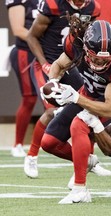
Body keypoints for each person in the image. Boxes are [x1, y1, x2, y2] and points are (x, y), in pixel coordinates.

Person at [40, 20, 111, 203]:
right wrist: (51, 83)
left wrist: (76, 98)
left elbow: (109, 108)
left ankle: (80, 189)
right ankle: (88, 161)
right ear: (85, 47)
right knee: (48, 142)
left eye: (105, 59)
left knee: (79, 125)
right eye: (95, 57)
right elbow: (58, 65)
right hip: (88, 94)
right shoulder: (75, 43)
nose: (99, 62)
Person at [24, 0, 110, 178]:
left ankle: (89, 159)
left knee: (88, 106)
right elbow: (31, 37)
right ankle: (32, 155)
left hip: (71, 62)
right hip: (48, 62)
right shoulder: (53, 4)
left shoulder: (92, 7)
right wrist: (45, 64)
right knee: (52, 110)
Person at [5, 0, 39, 157]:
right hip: (26, 51)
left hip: (48, 52)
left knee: (54, 100)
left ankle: (52, 140)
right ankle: (17, 144)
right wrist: (42, 42)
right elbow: (18, 30)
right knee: (30, 98)